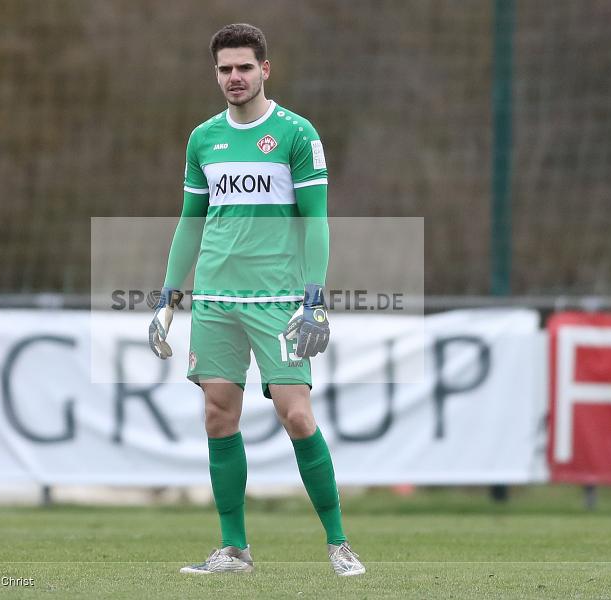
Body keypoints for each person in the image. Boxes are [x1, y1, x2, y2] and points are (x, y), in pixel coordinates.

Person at [149, 23, 364, 577]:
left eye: (245, 67)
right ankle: (234, 549)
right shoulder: (203, 139)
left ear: (265, 69)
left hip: (278, 300)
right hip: (215, 299)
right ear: (215, 73)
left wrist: (314, 297)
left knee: (296, 415)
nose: (235, 77)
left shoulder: (296, 134)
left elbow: (316, 221)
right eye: (225, 69)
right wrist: (167, 297)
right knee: (219, 417)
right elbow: (190, 224)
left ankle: (339, 542)